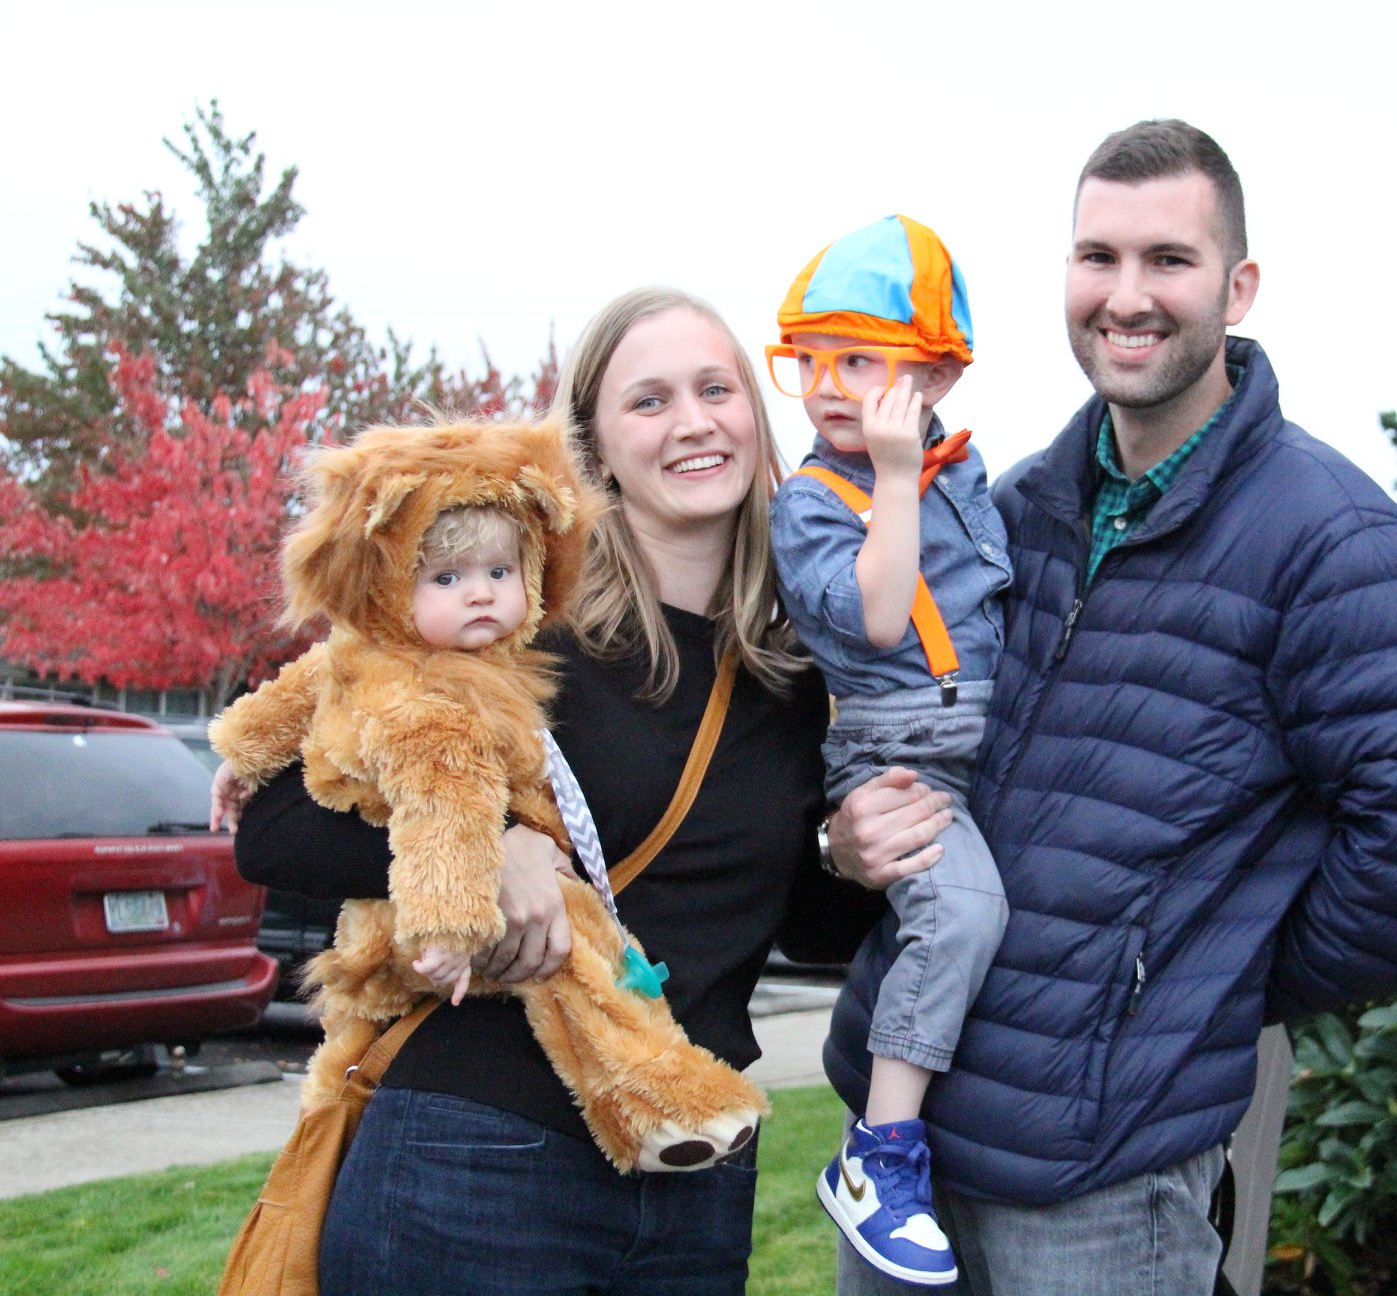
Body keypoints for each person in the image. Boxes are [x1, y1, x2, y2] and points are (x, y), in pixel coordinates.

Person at [825, 119, 1397, 1295]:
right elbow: (914, 735)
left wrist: (1196, 984)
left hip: (1100, 1181)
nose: (1126, 295)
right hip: (903, 1147)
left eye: (1168, 260)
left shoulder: (1332, 539)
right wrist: (846, 841)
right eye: (1099, 257)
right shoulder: (1013, 508)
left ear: (1238, 288)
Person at [220, 287, 880, 1296]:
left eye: (717, 390)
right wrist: (495, 849)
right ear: (593, 450)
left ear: (756, 414)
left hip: (694, 1173)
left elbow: (793, 928)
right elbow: (272, 832)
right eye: (649, 401)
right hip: (478, 1154)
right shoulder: (509, 625)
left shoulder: (798, 667)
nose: (694, 422)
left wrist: (851, 857)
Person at [210, 416, 764, 1175]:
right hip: (444, 959)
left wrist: (241, 750)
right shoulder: (433, 709)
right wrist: (460, 915)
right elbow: (437, 822)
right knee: (575, 947)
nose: (479, 595)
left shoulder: (474, 654)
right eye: (446, 579)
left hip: (424, 939)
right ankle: (653, 1096)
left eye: (500, 573)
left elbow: (295, 694)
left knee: (567, 942)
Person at [765, 215, 1010, 1286]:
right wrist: (898, 477)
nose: (827, 386)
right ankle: (879, 1153)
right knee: (963, 912)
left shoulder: (964, 472)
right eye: (808, 360)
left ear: (936, 375)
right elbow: (874, 616)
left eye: (857, 361)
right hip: (897, 755)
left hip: (979, 738)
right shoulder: (812, 501)